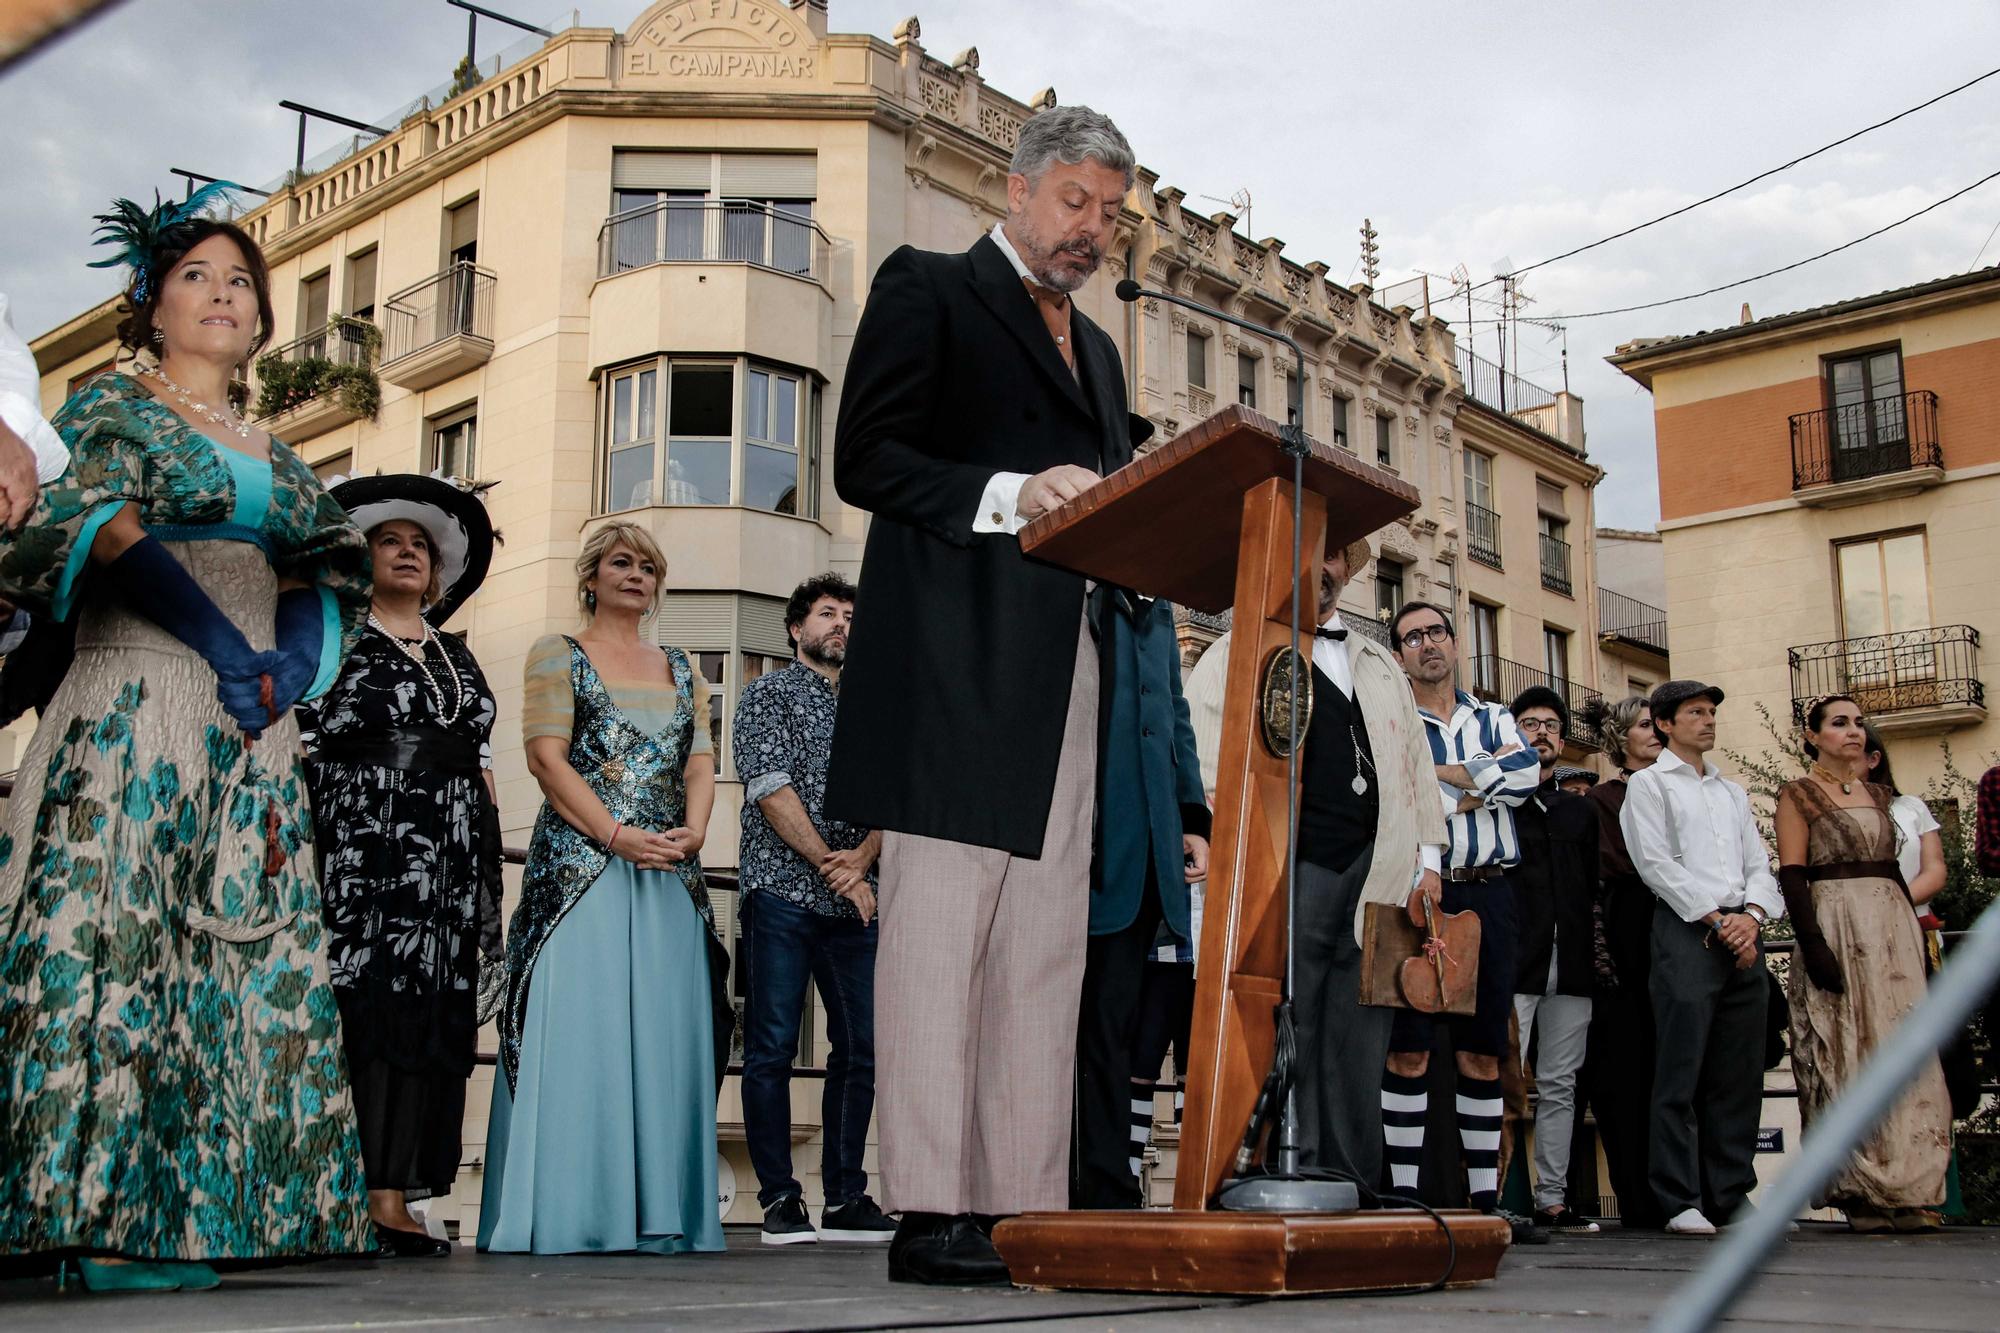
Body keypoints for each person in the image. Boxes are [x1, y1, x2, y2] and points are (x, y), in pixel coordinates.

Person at [0, 193, 373, 1291]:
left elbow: (317, 561)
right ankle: (82, 1214)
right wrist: (215, 638)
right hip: (135, 700)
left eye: (241, 282)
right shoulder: (107, 407)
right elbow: (99, 527)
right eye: (198, 276)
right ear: (151, 305)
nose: (223, 294)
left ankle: (195, 1209)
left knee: (225, 950)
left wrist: (288, 669)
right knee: (113, 934)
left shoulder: (279, 447)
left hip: (247, 717)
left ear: (261, 320)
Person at [824, 105, 1140, 1286]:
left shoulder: (1102, 354)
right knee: (940, 940)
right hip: (952, 668)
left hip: (1066, 668)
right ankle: (925, 1206)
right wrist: (1014, 491)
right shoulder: (928, 286)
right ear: (1016, 190)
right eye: (1076, 202)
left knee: (1044, 948)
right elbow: (867, 456)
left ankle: (1013, 1201)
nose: (1093, 231)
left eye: (1111, 213)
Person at [479, 522, 729, 1256]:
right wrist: (617, 837)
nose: (637, 574)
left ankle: (659, 1216)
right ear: (591, 576)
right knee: (579, 1033)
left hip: (669, 880)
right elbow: (547, 762)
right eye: (622, 562)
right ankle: (570, 1211)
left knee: (662, 1036)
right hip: (580, 875)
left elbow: (700, 765)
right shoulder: (557, 654)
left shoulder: (687, 667)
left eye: (649, 565)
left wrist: (695, 831)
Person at [300, 474, 504, 1257]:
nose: (409, 552)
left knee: (430, 1008)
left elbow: (478, 752)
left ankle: (396, 1191)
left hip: (449, 858)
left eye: (420, 544)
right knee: (368, 1006)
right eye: (392, 541)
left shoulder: (457, 651)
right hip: (364, 849)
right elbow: (303, 738)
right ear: (362, 557)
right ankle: (355, 1195)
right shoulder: (335, 635)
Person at [732, 572, 894, 1247]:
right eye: (828, 613)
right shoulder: (766, 693)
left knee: (861, 1046)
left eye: (852, 615)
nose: (841, 625)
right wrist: (840, 866)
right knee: (770, 1044)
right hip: (781, 896)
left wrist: (864, 858)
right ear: (797, 629)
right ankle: (779, 1198)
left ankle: (847, 1196)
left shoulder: (875, 706)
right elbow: (771, 788)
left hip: (855, 900)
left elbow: (896, 793)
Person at [1380, 602, 1540, 1232]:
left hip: (1493, 893)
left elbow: (1526, 775)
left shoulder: (1496, 714)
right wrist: (1479, 781)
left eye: (1436, 632)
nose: (1427, 644)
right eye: (1412, 637)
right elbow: (1401, 790)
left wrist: (1443, 783)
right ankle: (1401, 1196)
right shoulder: (1392, 720)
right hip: (1419, 892)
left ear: (1454, 640)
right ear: (1399, 655)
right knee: (1408, 1050)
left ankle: (1483, 1202)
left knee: (1484, 1050)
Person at [1778, 695, 1950, 1233]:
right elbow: (1793, 875)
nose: (1853, 732)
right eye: (1838, 724)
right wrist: (1814, 944)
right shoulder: (1797, 794)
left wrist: (1911, 931)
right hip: (1835, 922)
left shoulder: (1879, 794)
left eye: (1857, 723)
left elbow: (1898, 872)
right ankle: (1859, 1192)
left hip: (1892, 929)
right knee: (1846, 1048)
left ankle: (1908, 1188)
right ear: (1812, 736)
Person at [1619, 680, 1784, 1237]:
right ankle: (1678, 1197)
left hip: (1743, 931)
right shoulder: (1648, 785)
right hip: (1688, 930)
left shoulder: (1731, 791)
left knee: (1738, 1073)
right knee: (1680, 1069)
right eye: (1695, 712)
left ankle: (1731, 1194)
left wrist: (1752, 918)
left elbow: (1760, 863)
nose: (1708, 721)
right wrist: (1718, 919)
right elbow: (1655, 865)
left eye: (1712, 711)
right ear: (1665, 723)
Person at [1072, 584, 1210, 1209]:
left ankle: (1110, 1178)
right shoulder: (1083, 599)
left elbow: (1176, 718)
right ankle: (1093, 1180)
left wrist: (1193, 820)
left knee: (1122, 1029)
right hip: (1090, 849)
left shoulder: (1158, 610)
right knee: (1094, 1028)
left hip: (1152, 852)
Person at [1507, 686, 1601, 1235]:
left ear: (1561, 741)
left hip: (1574, 965)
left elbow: (1592, 886)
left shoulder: (1580, 812)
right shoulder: (1498, 805)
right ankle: (1495, 1193)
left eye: (1549, 725)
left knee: (1561, 1083)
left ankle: (1553, 1199)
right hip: (1517, 960)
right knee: (1503, 1079)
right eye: (1529, 723)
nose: (1541, 731)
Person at [1574, 695, 1666, 1231]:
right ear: (1620, 738)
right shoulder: (1604, 800)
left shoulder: (1694, 789)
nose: (1655, 732)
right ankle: (1639, 1195)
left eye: (1659, 723)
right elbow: (1614, 873)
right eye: (1643, 725)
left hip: (1687, 935)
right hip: (1628, 941)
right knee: (1627, 1076)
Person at [1860, 725, 1946, 910]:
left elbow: (1934, 870)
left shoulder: (1910, 807)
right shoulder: (1820, 813)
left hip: (1914, 923)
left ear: (1873, 759)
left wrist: (1894, 904)